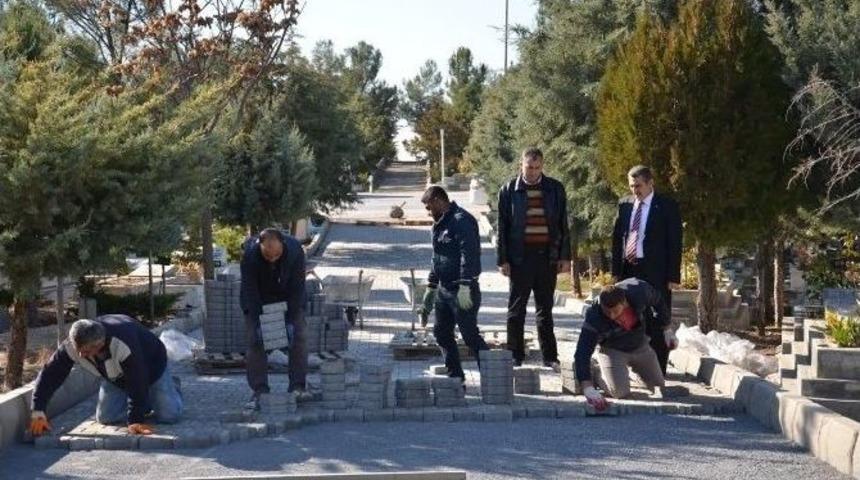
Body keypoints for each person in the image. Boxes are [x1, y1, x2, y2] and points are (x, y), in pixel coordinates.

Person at [29, 316, 182, 437]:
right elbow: (51, 374)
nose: (81, 355)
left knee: (169, 416)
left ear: (100, 344)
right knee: (106, 418)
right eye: (79, 350)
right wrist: (38, 410)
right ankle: (146, 401)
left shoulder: (122, 343)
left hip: (151, 366)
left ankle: (172, 386)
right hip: (114, 375)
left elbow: (137, 379)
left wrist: (135, 420)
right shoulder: (73, 345)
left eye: (87, 352)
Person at [496, 147, 570, 369]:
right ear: (522, 164)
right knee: (516, 310)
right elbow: (502, 228)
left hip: (547, 257)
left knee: (545, 310)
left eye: (537, 167)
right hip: (520, 258)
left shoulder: (555, 189)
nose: (533, 172)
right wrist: (503, 260)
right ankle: (515, 355)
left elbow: (563, 225)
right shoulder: (508, 190)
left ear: (542, 166)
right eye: (529, 167)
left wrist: (565, 256)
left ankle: (550, 357)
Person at [611, 165, 682, 374]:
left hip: (656, 272)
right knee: (629, 319)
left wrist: (673, 275)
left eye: (639, 185)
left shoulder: (666, 206)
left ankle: (658, 370)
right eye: (632, 186)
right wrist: (615, 272)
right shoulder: (624, 205)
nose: (635, 190)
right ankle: (634, 367)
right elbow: (617, 240)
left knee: (657, 320)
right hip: (629, 270)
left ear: (651, 183)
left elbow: (675, 242)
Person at [417, 186, 489, 381]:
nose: (428, 212)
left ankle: (494, 377)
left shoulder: (462, 221)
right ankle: (455, 378)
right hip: (444, 290)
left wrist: (466, 283)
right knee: (441, 333)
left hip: (462, 290)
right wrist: (431, 288)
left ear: (440, 201)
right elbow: (437, 257)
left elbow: (470, 254)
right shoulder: (439, 224)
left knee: (470, 336)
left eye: (430, 207)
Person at [573, 279, 679, 410]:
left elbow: (659, 302)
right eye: (607, 312)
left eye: (616, 311)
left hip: (640, 346)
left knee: (658, 386)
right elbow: (582, 352)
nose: (611, 316)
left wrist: (667, 329)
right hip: (613, 350)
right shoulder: (594, 316)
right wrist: (587, 387)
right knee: (619, 392)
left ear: (625, 303)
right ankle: (597, 372)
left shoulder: (639, 291)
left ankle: (635, 375)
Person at [240, 227, 308, 410]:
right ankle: (260, 389)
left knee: (299, 337)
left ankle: (297, 386)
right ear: (260, 246)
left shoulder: (295, 251)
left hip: (288, 296)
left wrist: (290, 320)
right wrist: (259, 321)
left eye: (276, 256)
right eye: (268, 256)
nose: (272, 259)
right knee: (255, 340)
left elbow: (297, 289)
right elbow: (250, 292)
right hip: (259, 298)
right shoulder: (250, 256)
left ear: (283, 245)